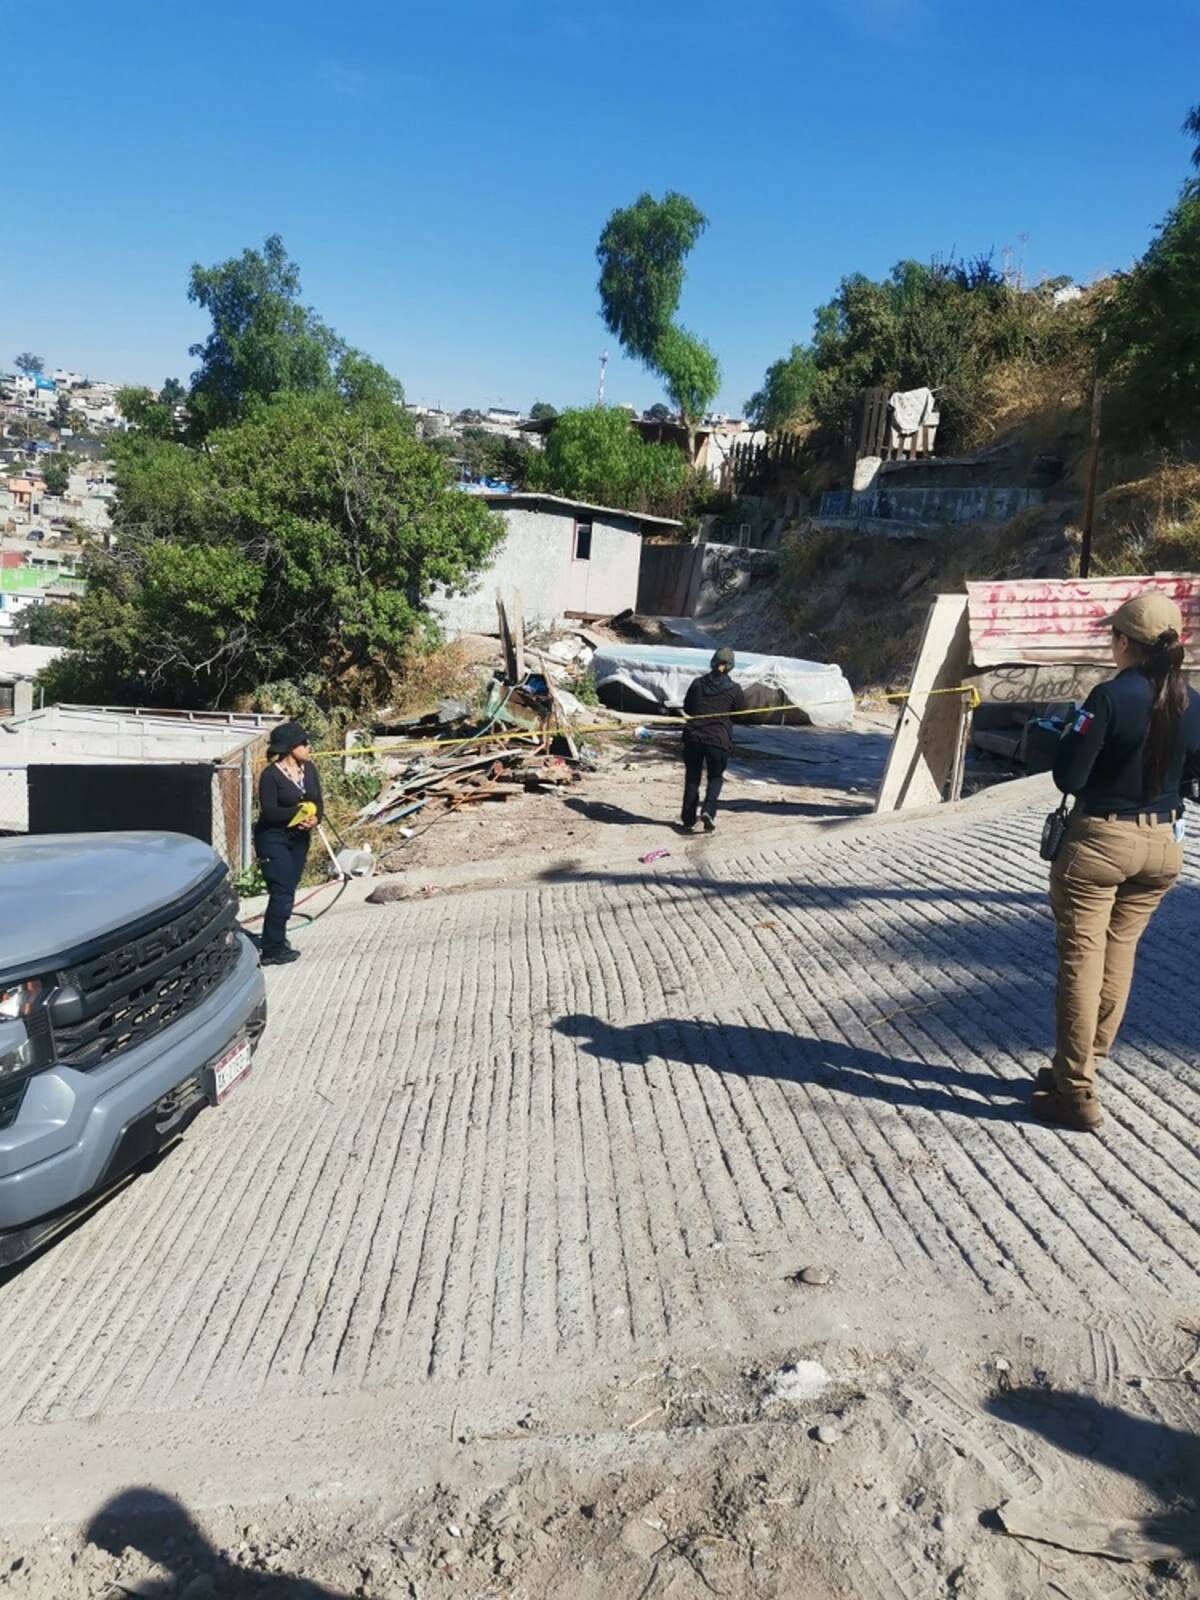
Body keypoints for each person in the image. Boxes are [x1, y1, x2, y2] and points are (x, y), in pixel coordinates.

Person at [1039, 592, 1200, 1131]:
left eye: (1113, 636)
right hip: (1163, 845)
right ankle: (1084, 1064)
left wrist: (1068, 738)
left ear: (1125, 641)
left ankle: (1075, 1090)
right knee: (1119, 953)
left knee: (1081, 961)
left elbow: (1070, 777)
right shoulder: (1193, 701)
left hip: (1100, 842)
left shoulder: (1108, 697)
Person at [255, 721, 324, 966]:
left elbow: (318, 802)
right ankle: (272, 949)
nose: (308, 747)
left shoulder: (310, 770)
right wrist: (299, 811)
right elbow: (270, 812)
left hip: (298, 839)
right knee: (282, 890)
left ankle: (277, 938)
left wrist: (314, 818)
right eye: (303, 743)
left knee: (288, 890)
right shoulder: (271, 775)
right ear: (290, 747)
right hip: (273, 838)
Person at [680, 647, 746, 833]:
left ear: (713, 663)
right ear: (731, 666)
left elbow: (688, 708)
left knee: (692, 777)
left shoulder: (697, 683)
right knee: (715, 777)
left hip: (694, 736)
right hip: (718, 739)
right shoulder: (734, 689)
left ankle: (688, 818)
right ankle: (708, 810)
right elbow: (740, 715)